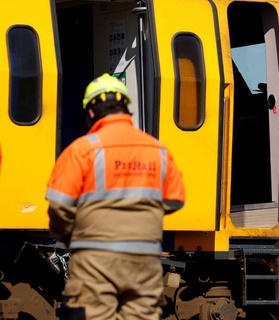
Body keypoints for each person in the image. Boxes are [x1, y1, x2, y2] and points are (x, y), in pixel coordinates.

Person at [45, 73, 186, 320]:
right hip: (144, 258)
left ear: (91, 112)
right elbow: (175, 199)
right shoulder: (158, 150)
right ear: (125, 107)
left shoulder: (83, 149)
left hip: (95, 258)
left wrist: (69, 237)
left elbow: (59, 206)